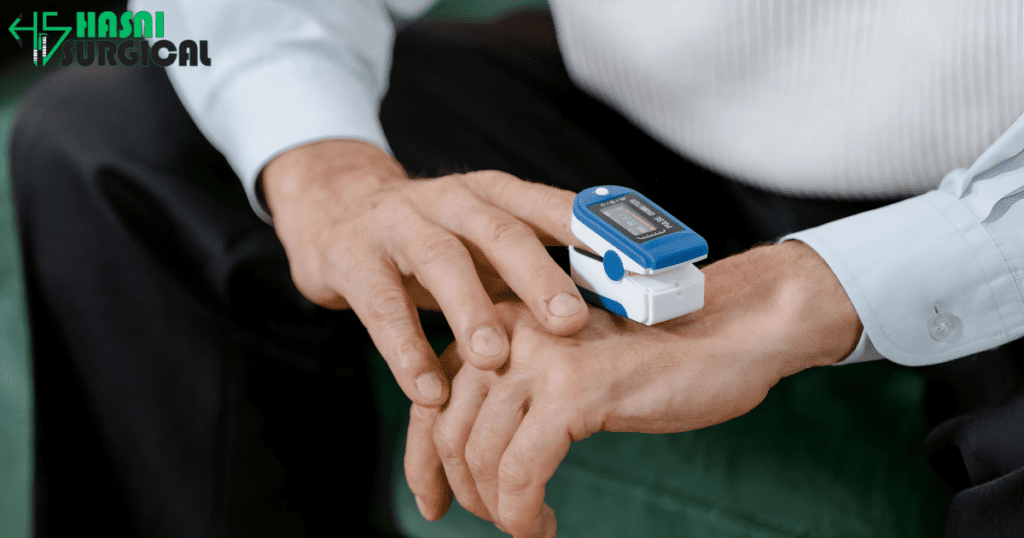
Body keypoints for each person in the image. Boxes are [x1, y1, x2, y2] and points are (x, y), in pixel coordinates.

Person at [10, 1, 1022, 537]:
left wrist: (801, 292)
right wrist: (324, 166)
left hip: (996, 189)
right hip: (651, 121)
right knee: (112, 134)